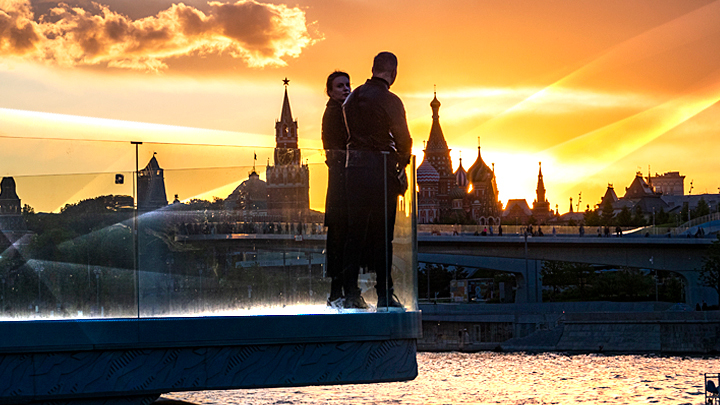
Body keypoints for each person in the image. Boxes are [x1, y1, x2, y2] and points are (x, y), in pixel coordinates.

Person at [342, 51, 412, 309]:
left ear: (372, 69)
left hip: (353, 171)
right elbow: (404, 140)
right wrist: (402, 166)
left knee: (354, 234)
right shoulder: (390, 100)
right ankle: (384, 294)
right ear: (393, 73)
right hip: (380, 172)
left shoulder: (351, 98)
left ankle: (351, 293)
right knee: (383, 235)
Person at [321, 71, 352, 308]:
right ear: (330, 91)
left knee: (339, 241)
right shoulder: (336, 113)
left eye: (347, 84)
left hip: (340, 189)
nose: (345, 88)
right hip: (343, 189)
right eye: (340, 86)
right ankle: (340, 294)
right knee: (341, 241)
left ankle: (338, 294)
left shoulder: (340, 111)